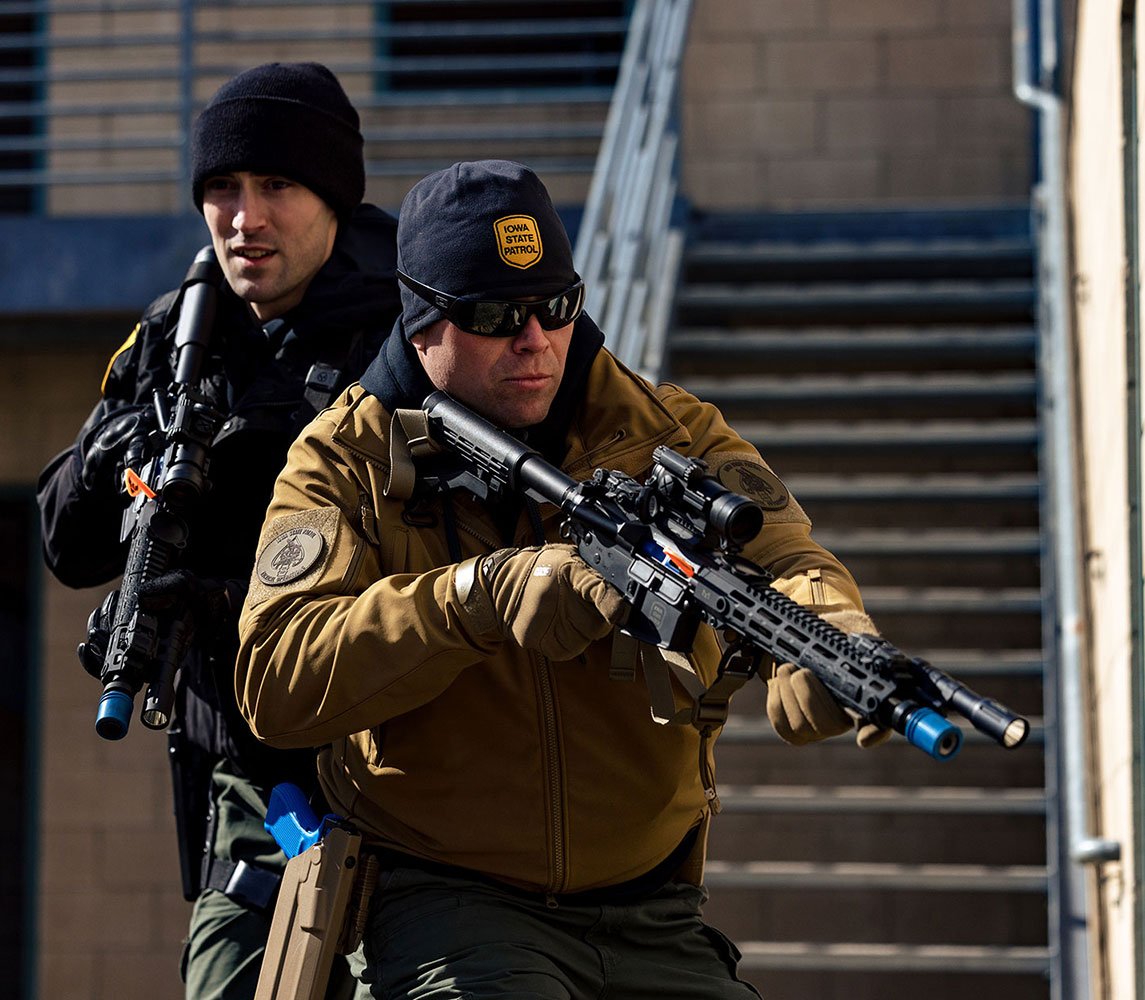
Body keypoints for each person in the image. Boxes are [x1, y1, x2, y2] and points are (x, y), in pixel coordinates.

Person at [235, 159, 886, 999]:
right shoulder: (342, 461)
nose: (533, 339)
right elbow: (276, 679)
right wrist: (476, 601)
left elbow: (789, 559)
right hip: (447, 898)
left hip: (654, 910)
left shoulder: (668, 427)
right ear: (421, 321)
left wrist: (829, 638)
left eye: (556, 306)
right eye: (495, 315)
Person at [36, 62, 401, 1000]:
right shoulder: (176, 333)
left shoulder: (406, 337)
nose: (246, 218)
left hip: (384, 762)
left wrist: (230, 604)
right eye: (222, 190)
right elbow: (65, 544)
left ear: (332, 195)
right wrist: (121, 453)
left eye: (276, 185)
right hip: (230, 764)